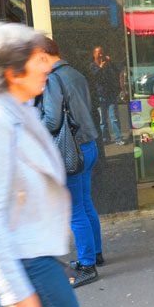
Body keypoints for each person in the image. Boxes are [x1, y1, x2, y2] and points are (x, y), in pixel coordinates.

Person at [0, 22, 83, 307]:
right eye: (38, 59)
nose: (47, 66)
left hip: (31, 254)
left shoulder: (18, 107)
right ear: (12, 72)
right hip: (21, 261)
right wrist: (15, 295)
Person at [36, 36, 104, 288]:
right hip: (88, 145)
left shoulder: (53, 78)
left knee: (75, 209)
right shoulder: (75, 72)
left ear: (43, 55)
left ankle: (87, 265)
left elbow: (52, 120)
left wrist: (33, 131)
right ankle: (95, 253)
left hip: (71, 150)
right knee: (86, 203)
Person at [90, 45, 125, 145]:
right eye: (98, 53)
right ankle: (105, 139)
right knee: (102, 120)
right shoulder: (92, 66)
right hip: (100, 95)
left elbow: (117, 71)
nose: (101, 55)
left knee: (114, 117)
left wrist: (110, 62)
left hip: (110, 94)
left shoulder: (108, 64)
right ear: (94, 55)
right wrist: (100, 67)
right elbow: (94, 77)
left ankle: (118, 139)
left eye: (102, 52)